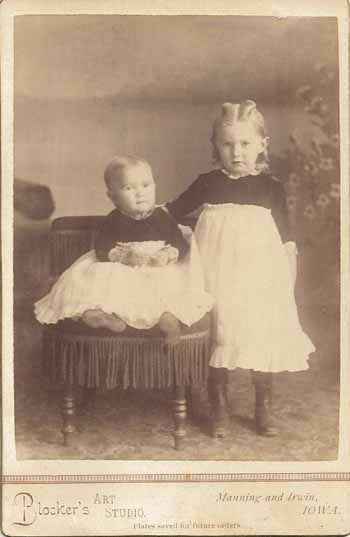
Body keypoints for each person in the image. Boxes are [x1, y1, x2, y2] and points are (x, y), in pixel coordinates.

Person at [167, 100, 315, 436]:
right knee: (219, 333)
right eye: (228, 144)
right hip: (216, 273)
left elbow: (286, 238)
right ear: (215, 147)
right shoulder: (207, 183)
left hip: (260, 276)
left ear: (263, 144)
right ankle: (218, 406)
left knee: (260, 333)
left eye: (245, 143)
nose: (237, 152)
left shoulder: (271, 188)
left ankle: (263, 407)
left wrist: (286, 279)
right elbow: (171, 213)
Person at [35, 155, 212, 344]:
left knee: (171, 285)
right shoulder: (113, 219)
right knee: (102, 283)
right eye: (129, 188)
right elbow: (102, 248)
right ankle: (100, 314)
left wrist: (168, 254)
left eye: (146, 185)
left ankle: (169, 318)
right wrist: (121, 256)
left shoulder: (162, 216)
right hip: (122, 267)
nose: (140, 193)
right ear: (113, 197)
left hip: (156, 267)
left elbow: (180, 244)